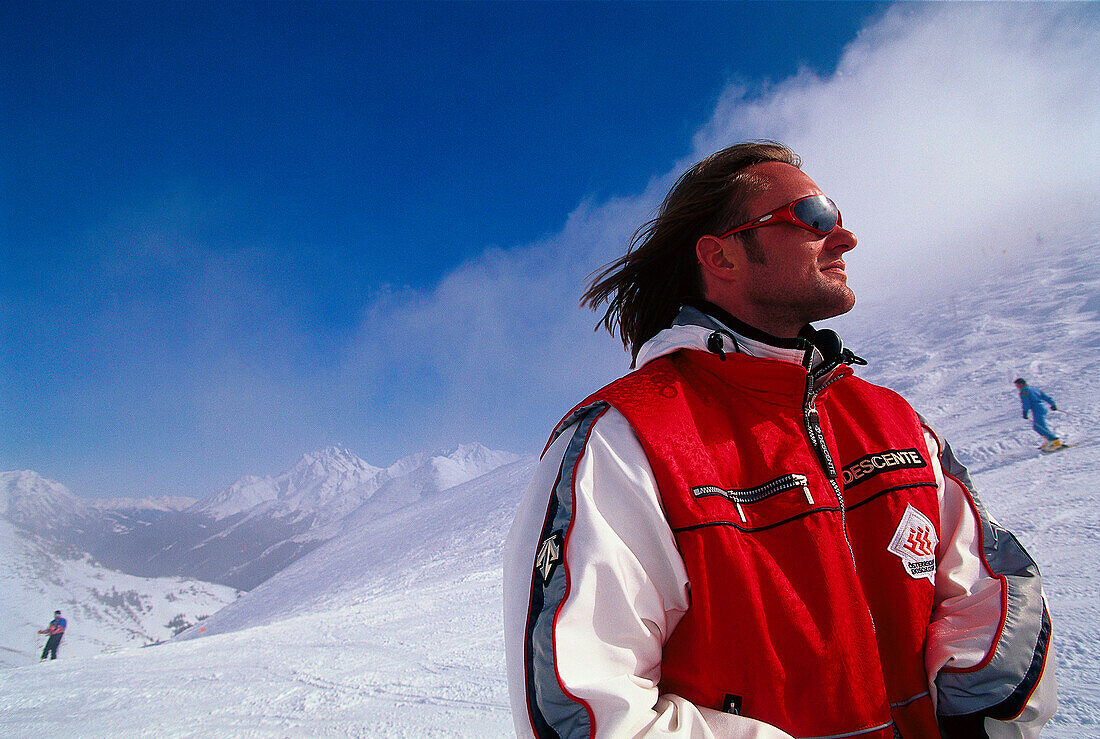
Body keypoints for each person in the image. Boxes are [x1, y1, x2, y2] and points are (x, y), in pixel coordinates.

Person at [503, 142, 1056, 738]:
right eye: (813, 217)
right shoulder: (624, 441)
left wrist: (978, 726)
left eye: (837, 217)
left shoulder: (894, 421)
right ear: (722, 256)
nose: (845, 238)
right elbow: (590, 710)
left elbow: (991, 591)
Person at [1014, 378, 1062, 451]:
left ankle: (1055, 442)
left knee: (1041, 426)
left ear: (1021, 384)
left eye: (1017, 386)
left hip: (1037, 409)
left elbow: (1026, 403)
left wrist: (1025, 412)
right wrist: (1052, 404)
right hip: (1042, 408)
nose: (1017, 388)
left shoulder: (1024, 391)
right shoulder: (1035, 388)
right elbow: (1045, 397)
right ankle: (1049, 440)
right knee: (1036, 427)